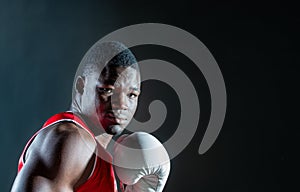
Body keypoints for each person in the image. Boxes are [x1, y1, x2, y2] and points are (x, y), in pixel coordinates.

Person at [11, 41, 170, 192]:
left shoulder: (101, 154)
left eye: (132, 95)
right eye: (108, 91)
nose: (122, 104)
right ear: (81, 86)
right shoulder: (72, 141)